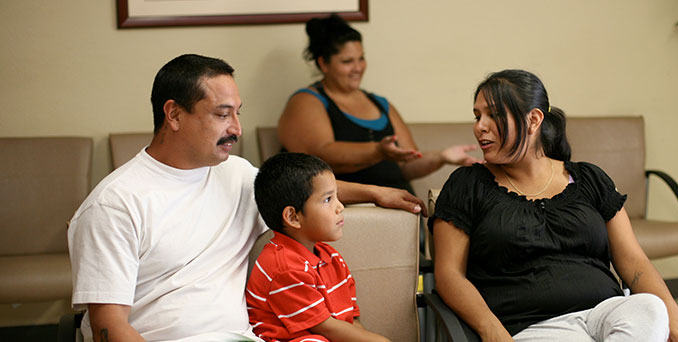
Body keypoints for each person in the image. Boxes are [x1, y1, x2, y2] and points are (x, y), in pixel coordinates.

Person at [67, 54, 424, 342]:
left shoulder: (234, 174)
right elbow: (109, 327)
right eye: (223, 115)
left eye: (238, 113)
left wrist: (376, 192)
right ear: (174, 114)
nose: (236, 128)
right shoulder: (115, 204)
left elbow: (302, 190)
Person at [430, 69, 678, 342]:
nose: (480, 127)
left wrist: (675, 318)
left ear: (533, 119)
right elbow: (449, 274)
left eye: (493, 115)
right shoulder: (467, 185)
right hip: (532, 328)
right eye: (477, 116)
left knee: (650, 308)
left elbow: (634, 260)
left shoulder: (590, 178)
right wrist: (493, 331)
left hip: (604, 315)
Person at [278, 14, 482, 194]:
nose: (358, 68)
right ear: (323, 63)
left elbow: (408, 163)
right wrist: (378, 151)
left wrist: (441, 156)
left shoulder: (380, 103)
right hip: (353, 214)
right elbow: (321, 154)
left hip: (401, 210)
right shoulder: (306, 101)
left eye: (361, 58)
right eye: (347, 61)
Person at [246, 152, 390, 342]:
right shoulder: (283, 268)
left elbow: (349, 322)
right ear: (293, 217)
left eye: (337, 197)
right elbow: (326, 328)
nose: (340, 207)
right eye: (328, 200)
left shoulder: (332, 257)